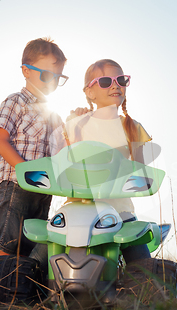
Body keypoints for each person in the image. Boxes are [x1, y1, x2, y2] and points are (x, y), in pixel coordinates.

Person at [64, 59, 153, 263]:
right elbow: (68, 162)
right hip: (79, 207)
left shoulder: (132, 127)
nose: (115, 85)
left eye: (121, 80)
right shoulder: (76, 123)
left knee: (142, 265)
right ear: (89, 92)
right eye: (105, 81)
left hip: (120, 210)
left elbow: (140, 171)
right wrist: (74, 123)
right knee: (44, 254)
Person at [0, 37, 67, 259]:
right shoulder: (16, 102)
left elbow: (64, 150)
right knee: (10, 242)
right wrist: (25, 169)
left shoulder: (54, 115)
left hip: (43, 188)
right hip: (17, 184)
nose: (51, 82)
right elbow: (1, 141)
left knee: (32, 243)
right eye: (46, 75)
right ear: (26, 71)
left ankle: (24, 290)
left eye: (58, 77)